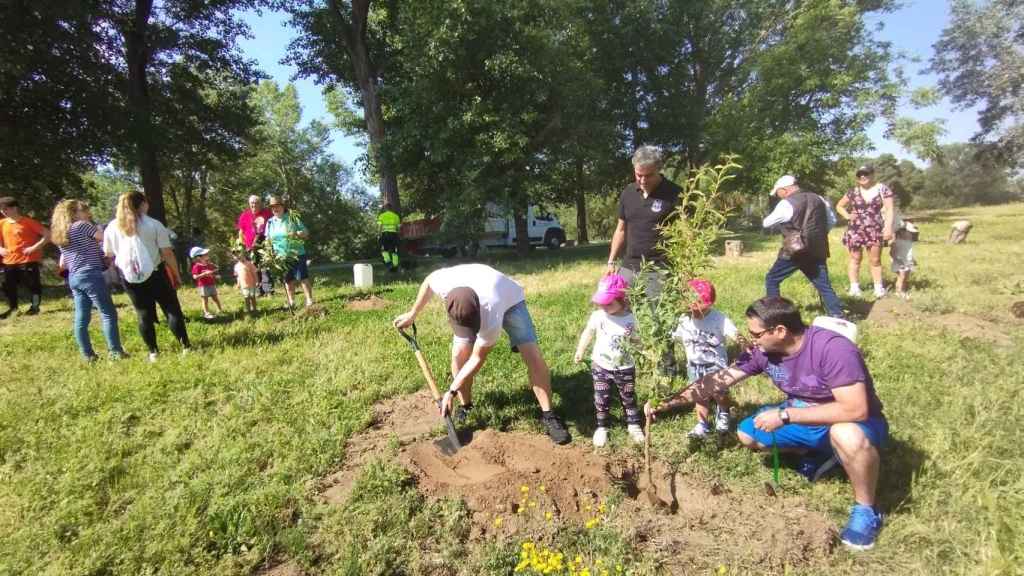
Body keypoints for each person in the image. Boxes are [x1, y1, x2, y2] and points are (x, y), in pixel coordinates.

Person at [645, 296, 888, 551]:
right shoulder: (762, 352)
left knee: (845, 434)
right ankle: (822, 454)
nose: (752, 340)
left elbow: (855, 409)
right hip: (804, 415)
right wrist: (669, 402)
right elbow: (717, 380)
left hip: (855, 422)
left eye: (756, 333)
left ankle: (866, 510)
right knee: (748, 434)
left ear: (780, 331)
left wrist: (785, 416)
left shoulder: (833, 349)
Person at [393, 263, 571, 445]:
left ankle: (549, 415)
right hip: (474, 296)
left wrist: (451, 390)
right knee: (459, 354)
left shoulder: (491, 307)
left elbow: (477, 357)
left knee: (532, 355)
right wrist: (412, 314)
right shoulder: (444, 283)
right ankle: (466, 406)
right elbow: (429, 282)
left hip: (510, 302)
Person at [604, 145, 683, 373]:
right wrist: (611, 261)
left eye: (648, 175)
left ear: (659, 170)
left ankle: (667, 367)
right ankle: (636, 359)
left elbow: (685, 233)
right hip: (629, 265)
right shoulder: (628, 192)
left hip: (659, 267)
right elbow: (621, 229)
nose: (642, 180)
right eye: (638, 174)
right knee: (624, 312)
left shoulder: (675, 194)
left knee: (659, 317)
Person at [103, 191, 191, 362]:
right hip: (156, 273)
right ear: (142, 204)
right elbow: (167, 252)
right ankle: (185, 346)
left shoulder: (112, 227)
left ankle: (153, 352)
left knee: (143, 313)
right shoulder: (152, 224)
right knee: (171, 309)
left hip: (129, 277)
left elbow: (108, 253)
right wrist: (176, 274)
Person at [50, 199, 127, 361]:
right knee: (108, 313)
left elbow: (64, 262)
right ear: (74, 213)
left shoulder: (60, 233)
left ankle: (87, 354)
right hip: (91, 275)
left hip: (74, 277)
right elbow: (106, 239)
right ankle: (115, 351)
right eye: (84, 211)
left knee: (81, 318)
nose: (88, 214)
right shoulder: (82, 226)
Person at [573, 274, 644, 447]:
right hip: (601, 366)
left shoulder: (631, 319)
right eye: (601, 303)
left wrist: (645, 351)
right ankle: (602, 426)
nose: (603, 306)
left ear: (623, 299)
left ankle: (633, 425)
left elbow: (637, 341)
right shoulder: (599, 316)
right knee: (601, 398)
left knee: (628, 396)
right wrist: (580, 349)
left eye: (609, 303)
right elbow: (588, 332)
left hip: (625, 366)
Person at [763, 174, 845, 319]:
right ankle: (837, 315)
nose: (778, 195)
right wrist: (816, 234)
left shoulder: (786, 203)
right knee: (823, 285)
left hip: (795, 250)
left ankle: (774, 315)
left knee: (772, 279)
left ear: (785, 190)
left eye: (778, 192)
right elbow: (831, 221)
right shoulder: (818, 198)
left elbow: (767, 223)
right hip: (817, 248)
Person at [671, 278, 738, 439]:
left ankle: (723, 412)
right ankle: (702, 424)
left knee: (720, 394)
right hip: (694, 366)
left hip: (716, 366)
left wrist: (745, 344)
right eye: (691, 303)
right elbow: (670, 336)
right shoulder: (683, 319)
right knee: (700, 395)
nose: (695, 308)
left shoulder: (719, 319)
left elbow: (735, 334)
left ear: (711, 303)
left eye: (700, 304)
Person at [836, 165, 895, 298]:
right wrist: (847, 216)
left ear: (873, 175)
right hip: (855, 230)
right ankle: (854, 288)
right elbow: (839, 206)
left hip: (875, 229)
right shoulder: (853, 191)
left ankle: (878, 288)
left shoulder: (883, 189)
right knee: (855, 258)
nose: (863, 176)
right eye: (860, 174)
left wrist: (888, 227)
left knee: (875, 260)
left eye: (866, 174)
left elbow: (890, 209)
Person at [0, 196, 50, 317]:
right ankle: (13, 309)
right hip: (9, 261)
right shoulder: (1, 223)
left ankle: (35, 307)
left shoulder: (28, 222)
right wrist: (0, 249)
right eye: (2, 209)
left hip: (28, 260)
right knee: (9, 287)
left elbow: (47, 235)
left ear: (15, 208)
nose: (3, 211)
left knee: (33, 285)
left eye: (5, 209)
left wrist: (33, 248)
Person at [265, 196, 314, 309]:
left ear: (282, 206)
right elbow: (267, 239)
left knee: (302, 277)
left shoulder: (292, 218)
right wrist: (269, 253)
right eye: (272, 207)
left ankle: (309, 300)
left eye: (277, 206)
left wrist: (297, 233)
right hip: (281, 256)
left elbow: (306, 232)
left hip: (297, 253)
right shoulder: (270, 222)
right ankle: (292, 302)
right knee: (288, 279)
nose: (275, 209)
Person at [236, 194, 274, 296]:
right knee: (254, 268)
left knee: (265, 267)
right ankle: (258, 291)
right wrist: (241, 245)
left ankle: (268, 290)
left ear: (261, 204)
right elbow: (241, 232)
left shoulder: (267, 213)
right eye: (252, 203)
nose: (254, 205)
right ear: (249, 204)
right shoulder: (244, 216)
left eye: (257, 202)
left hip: (264, 244)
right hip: (250, 247)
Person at [890, 212, 918, 300]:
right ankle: (899, 291)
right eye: (909, 233)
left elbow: (909, 252)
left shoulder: (909, 242)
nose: (911, 235)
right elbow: (892, 252)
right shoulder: (897, 242)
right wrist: (897, 259)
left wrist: (913, 259)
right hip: (900, 262)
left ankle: (903, 290)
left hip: (907, 262)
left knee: (905, 277)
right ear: (902, 232)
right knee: (901, 277)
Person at [189, 247, 223, 319]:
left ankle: (220, 310)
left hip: (211, 284)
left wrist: (216, 276)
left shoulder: (209, 265)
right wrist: (204, 274)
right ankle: (206, 313)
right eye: (205, 254)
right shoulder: (196, 267)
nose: (207, 255)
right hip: (203, 286)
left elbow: (214, 271)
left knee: (215, 298)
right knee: (205, 300)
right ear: (198, 257)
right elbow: (195, 277)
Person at [377, 202, 402, 272]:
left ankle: (388, 263)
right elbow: (398, 228)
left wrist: (379, 235)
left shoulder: (381, 216)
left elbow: (380, 227)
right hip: (394, 234)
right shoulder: (396, 216)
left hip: (385, 234)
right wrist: (399, 235)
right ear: (391, 208)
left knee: (384, 250)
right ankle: (395, 265)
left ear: (385, 208)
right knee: (394, 251)